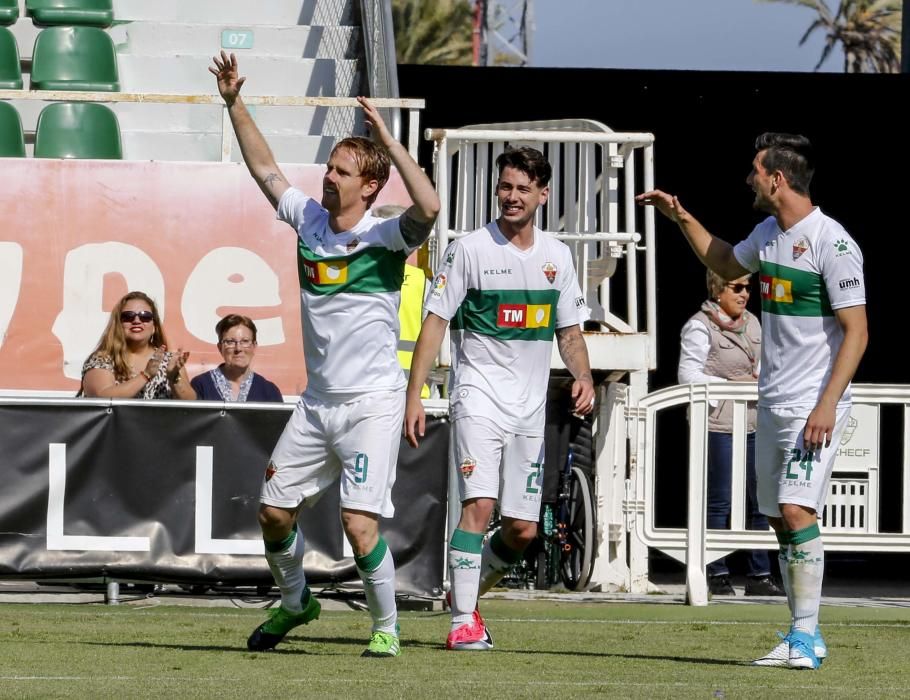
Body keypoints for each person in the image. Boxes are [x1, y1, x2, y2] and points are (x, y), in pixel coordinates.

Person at [210, 51, 440, 657]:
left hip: (371, 404)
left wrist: (387, 140)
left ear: (370, 185)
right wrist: (235, 101)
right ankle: (295, 603)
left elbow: (431, 209)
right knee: (272, 514)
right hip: (317, 406)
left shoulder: (386, 237)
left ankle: (386, 627)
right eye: (330, 167)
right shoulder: (309, 221)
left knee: (358, 525)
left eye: (341, 171)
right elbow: (264, 171)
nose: (328, 177)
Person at [637, 132, 867, 669]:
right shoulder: (768, 233)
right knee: (779, 521)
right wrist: (680, 218)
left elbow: (857, 332)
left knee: (796, 509)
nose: (749, 180)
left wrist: (828, 404)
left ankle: (807, 636)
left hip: (815, 403)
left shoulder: (833, 244)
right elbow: (723, 257)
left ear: (777, 179)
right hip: (773, 402)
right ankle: (800, 632)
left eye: (754, 171)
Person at [403, 146, 595, 650]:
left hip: (529, 408)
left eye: (522, 189)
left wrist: (584, 376)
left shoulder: (557, 256)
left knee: (523, 530)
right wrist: (415, 395)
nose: (511, 197)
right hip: (479, 397)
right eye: (505, 187)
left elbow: (570, 331)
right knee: (480, 506)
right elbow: (434, 323)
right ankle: (463, 620)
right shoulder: (470, 249)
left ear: (542, 195)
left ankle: (462, 594)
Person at [679, 269, 783, 597]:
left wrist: (760, 379)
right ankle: (716, 572)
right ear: (718, 288)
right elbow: (688, 375)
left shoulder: (753, 322)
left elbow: (767, 364)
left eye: (747, 288)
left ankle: (759, 573)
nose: (744, 294)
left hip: (754, 421)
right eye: (737, 288)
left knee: (760, 498)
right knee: (720, 498)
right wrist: (730, 385)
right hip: (718, 423)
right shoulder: (699, 325)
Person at [80, 291, 194, 400]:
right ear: (118, 324)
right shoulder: (102, 359)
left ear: (154, 326)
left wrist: (174, 377)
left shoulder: (169, 361)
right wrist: (145, 375)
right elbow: (102, 398)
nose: (136, 320)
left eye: (145, 316)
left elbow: (191, 406)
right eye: (128, 316)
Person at [191, 314, 283, 402]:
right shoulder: (201, 385)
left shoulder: (269, 392)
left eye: (245, 341)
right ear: (220, 348)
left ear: (254, 346)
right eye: (230, 342)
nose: (238, 348)